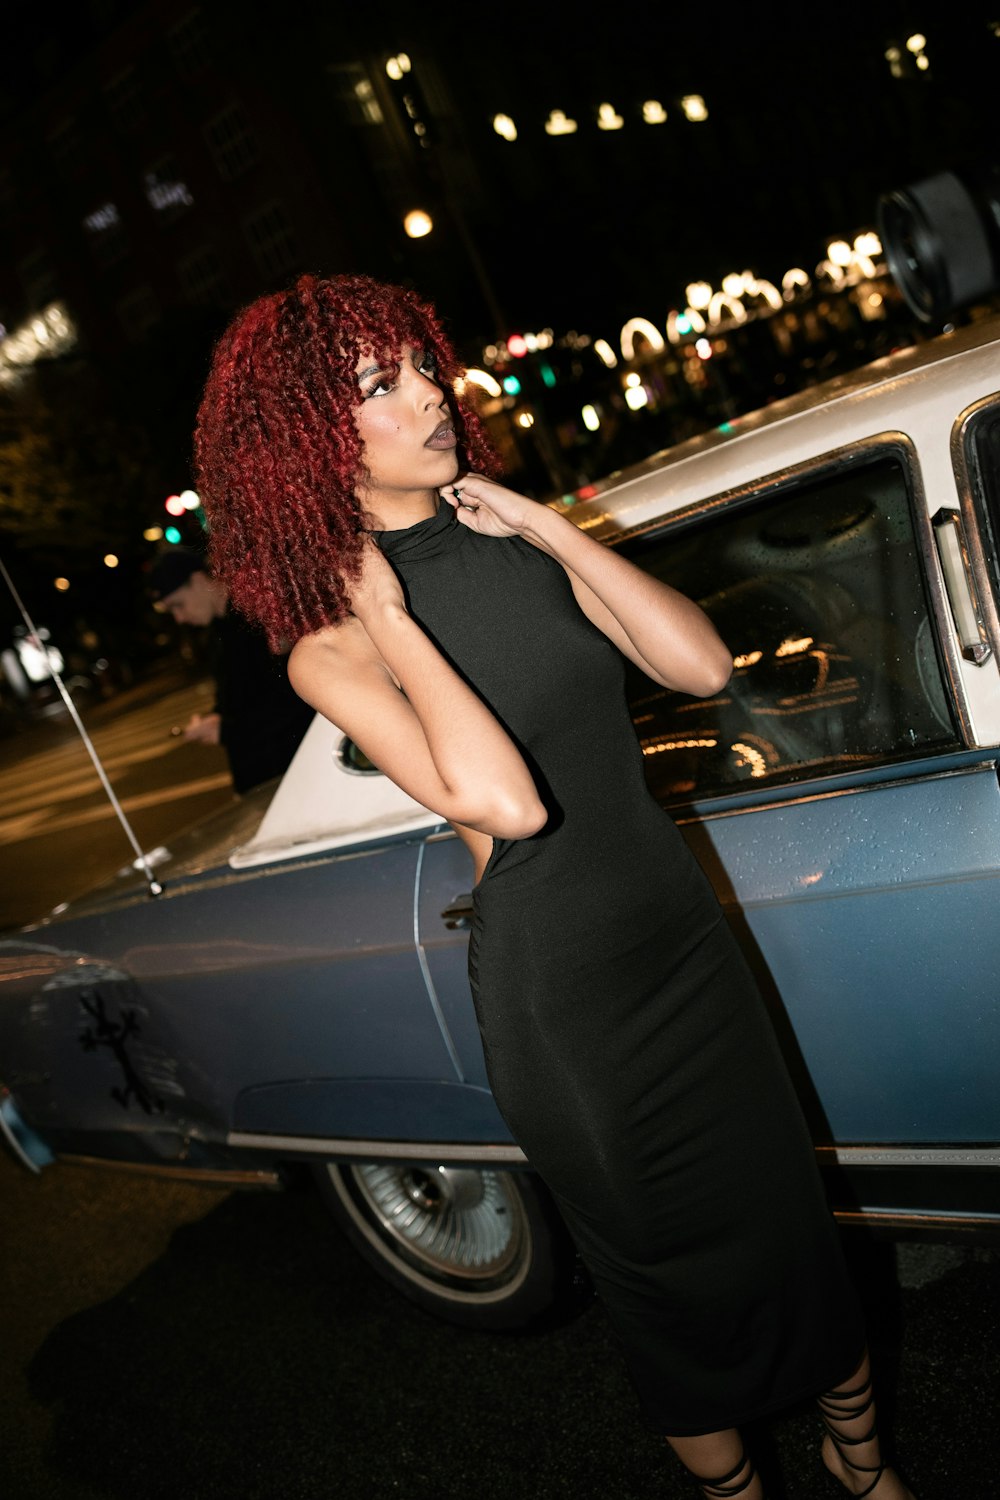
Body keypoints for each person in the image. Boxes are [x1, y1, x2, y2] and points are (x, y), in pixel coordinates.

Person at [192, 273, 915, 1500]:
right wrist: (392, 611)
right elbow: (509, 806)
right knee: (666, 1276)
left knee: (786, 1221)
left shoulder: (513, 541)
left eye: (424, 364)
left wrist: (549, 529)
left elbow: (697, 663)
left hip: (679, 944)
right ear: (314, 436)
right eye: (386, 385)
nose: (433, 394)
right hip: (564, 1000)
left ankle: (861, 1460)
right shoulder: (334, 646)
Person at [148, 546, 314, 795]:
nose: (179, 618)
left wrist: (227, 731)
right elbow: (240, 699)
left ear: (198, 579)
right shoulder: (218, 634)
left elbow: (294, 701)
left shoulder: (257, 620)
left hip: (293, 777)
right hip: (265, 781)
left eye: (178, 605)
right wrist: (217, 718)